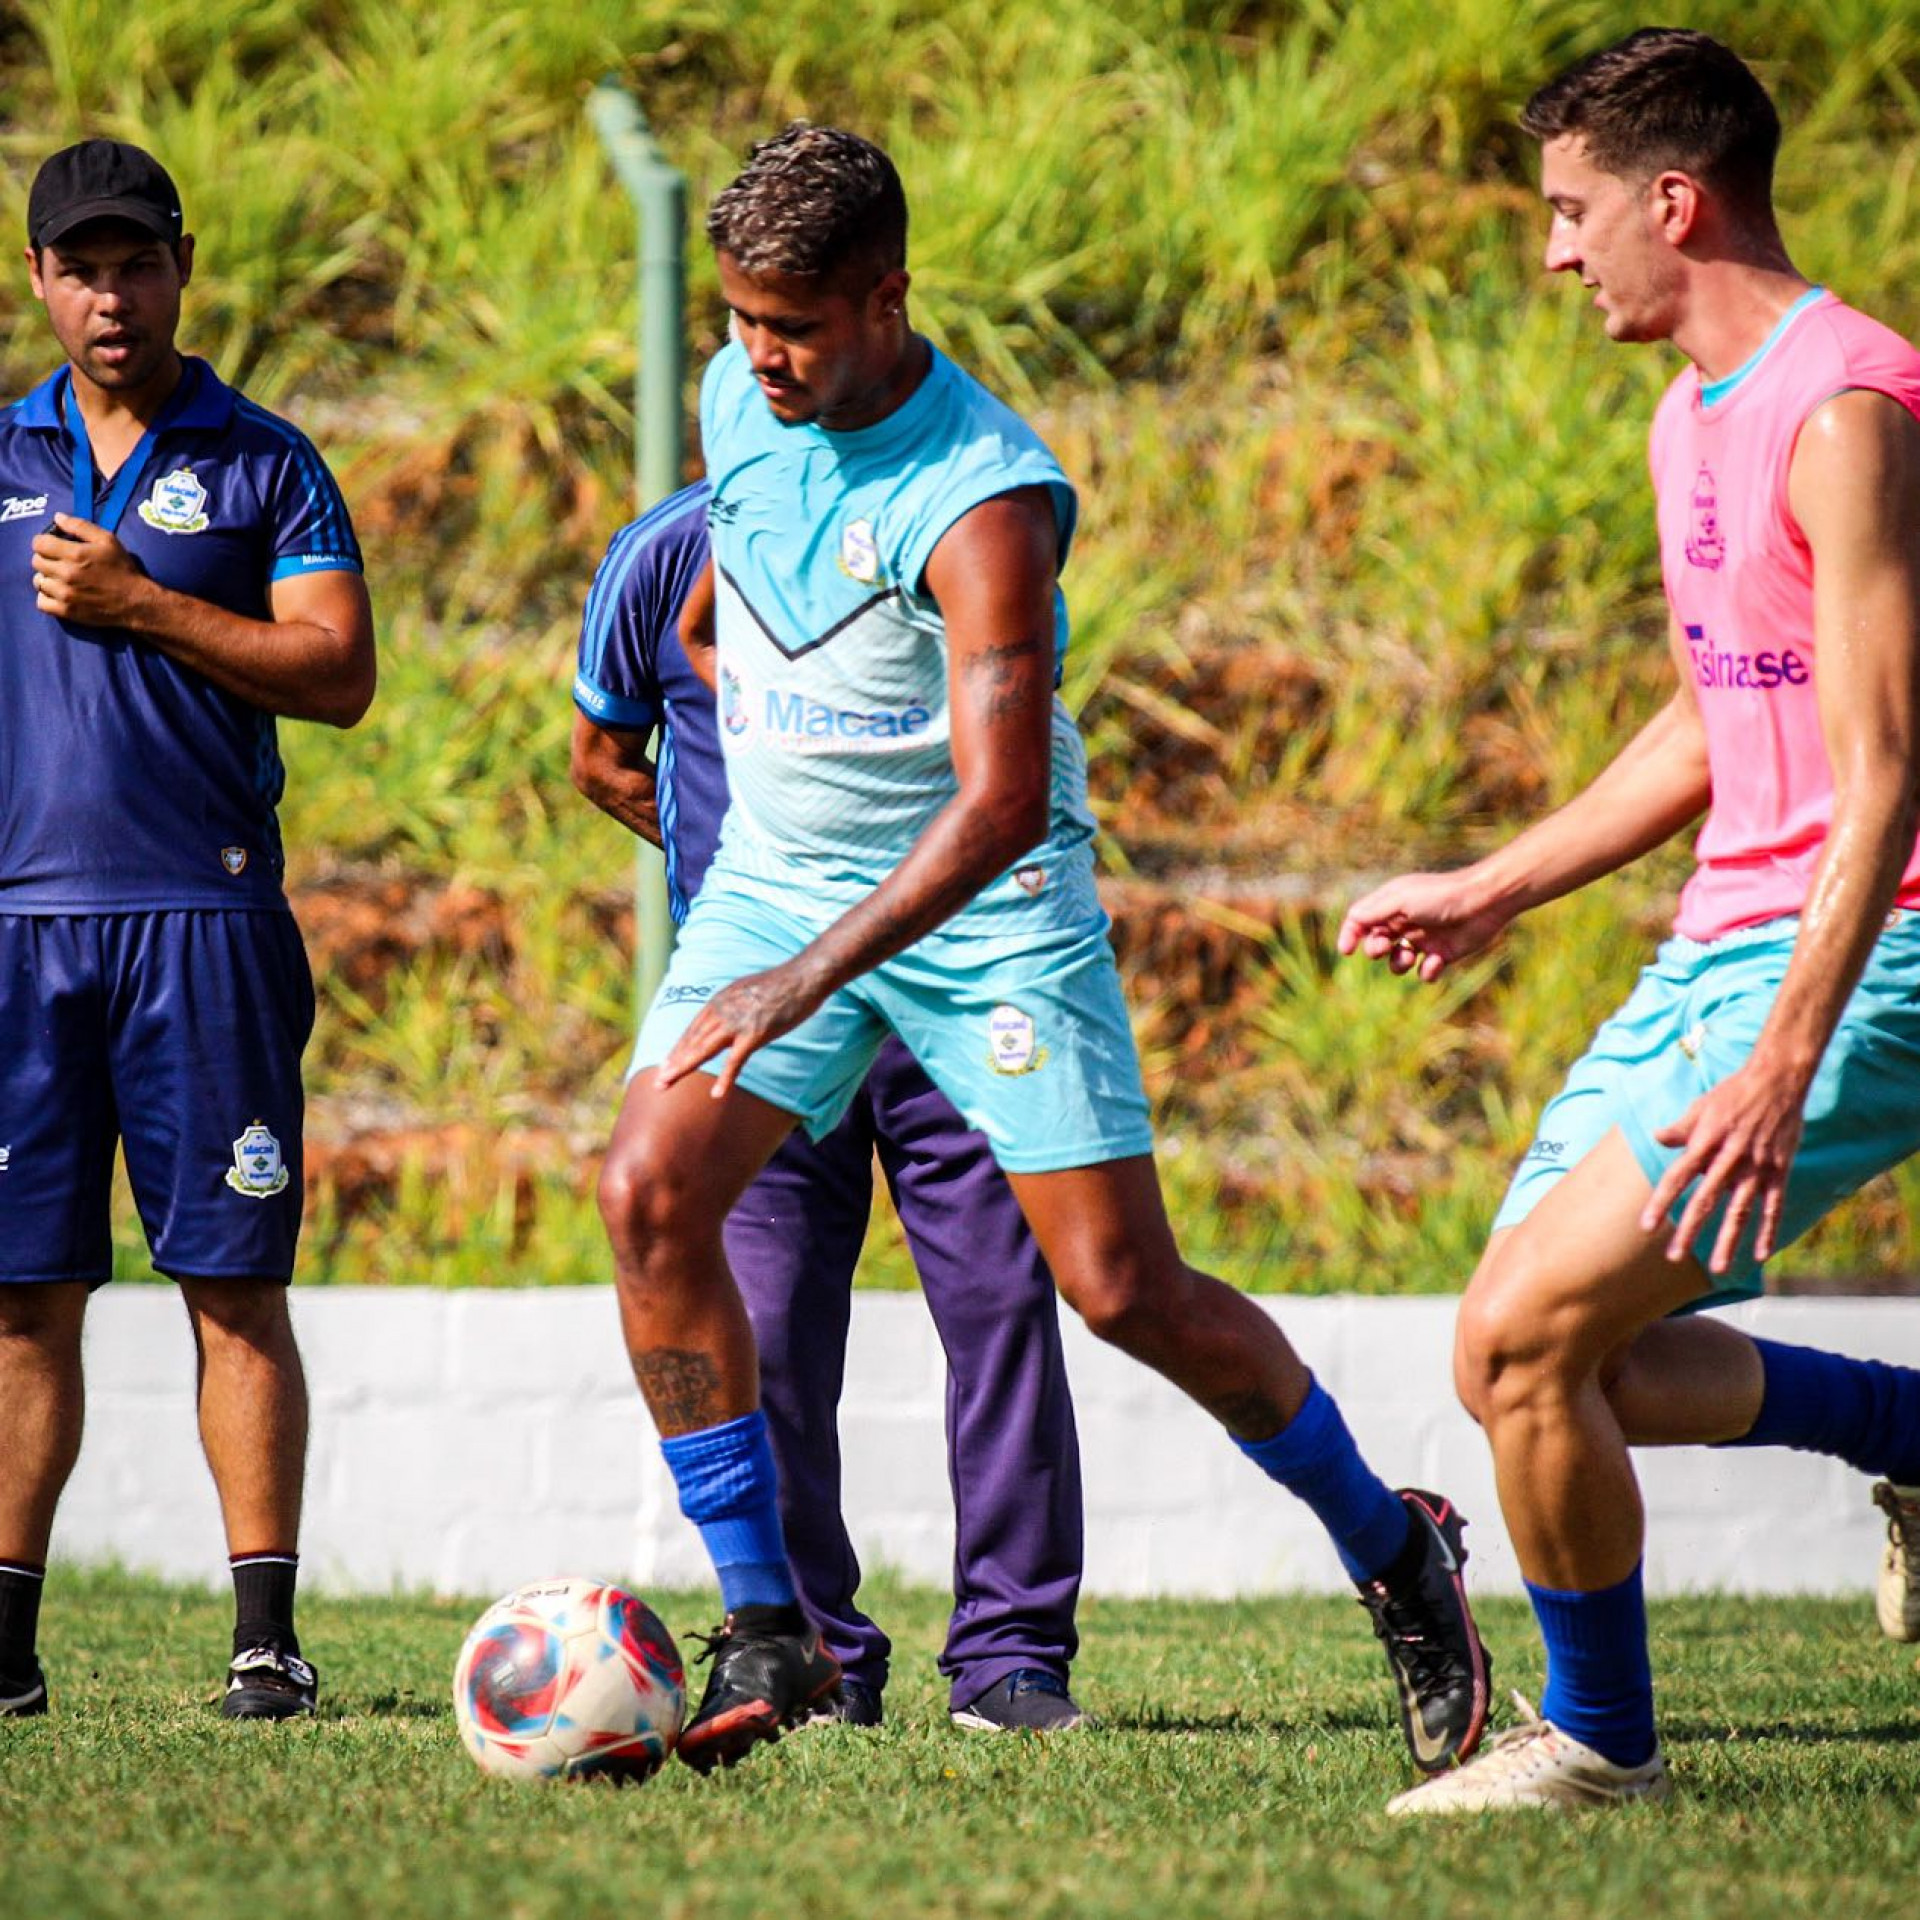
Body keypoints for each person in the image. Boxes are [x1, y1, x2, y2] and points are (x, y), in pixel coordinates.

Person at [592, 124, 1488, 1777]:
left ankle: (1391, 1543)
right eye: (738, 319)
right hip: (787, 885)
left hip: (987, 912)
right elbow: (738, 566)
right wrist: (739, 688)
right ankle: (765, 1628)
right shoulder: (743, 398)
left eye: (793, 324)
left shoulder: (986, 498)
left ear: (887, 296)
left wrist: (808, 976)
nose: (760, 356)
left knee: (1118, 1287)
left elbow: (999, 806)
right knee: (649, 1190)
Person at [1341, 29, 1920, 1813]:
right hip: (1719, 938)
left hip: (1869, 943)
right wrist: (1493, 883)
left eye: (1572, 210)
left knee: (1524, 1340)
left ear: (1676, 200)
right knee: (1539, 1353)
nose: (1556, 250)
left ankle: (1597, 1749)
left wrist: (1783, 1054)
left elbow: (1888, 765)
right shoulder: (1692, 413)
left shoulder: (1849, 410)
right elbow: (1711, 706)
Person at [572, 480, 1090, 1732]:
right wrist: (745, 880)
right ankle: (811, 1658)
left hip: (955, 987)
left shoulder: (958, 534)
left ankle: (1012, 1658)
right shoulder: (662, 555)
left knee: (1003, 1309)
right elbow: (603, 757)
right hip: (762, 1005)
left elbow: (1009, 749)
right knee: (769, 1329)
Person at [0, 140, 375, 1721]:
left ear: (182, 267)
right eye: (79, 266)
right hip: (19, 932)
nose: (109, 294)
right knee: (21, 1300)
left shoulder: (266, 460)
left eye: (135, 262)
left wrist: (144, 600)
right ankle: (7, 1647)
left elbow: (338, 672)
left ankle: (264, 1642)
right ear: (36, 280)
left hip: (204, 918)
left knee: (231, 1286)